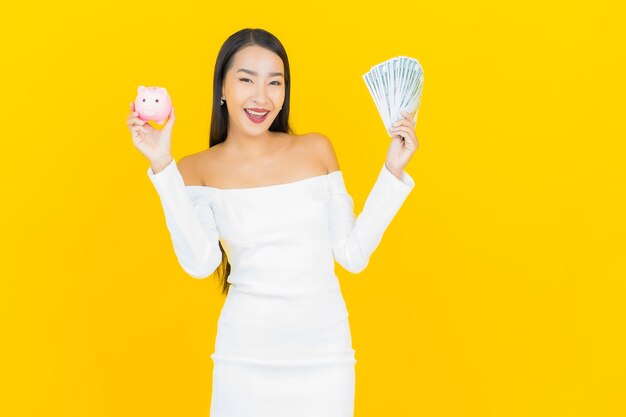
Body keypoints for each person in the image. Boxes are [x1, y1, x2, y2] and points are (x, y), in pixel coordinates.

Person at [126, 28, 418, 417]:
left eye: (274, 82)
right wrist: (162, 166)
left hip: (324, 357)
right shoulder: (195, 169)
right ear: (223, 89)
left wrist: (392, 171)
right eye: (246, 79)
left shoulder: (316, 149)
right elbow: (199, 264)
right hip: (245, 359)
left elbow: (352, 255)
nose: (261, 96)